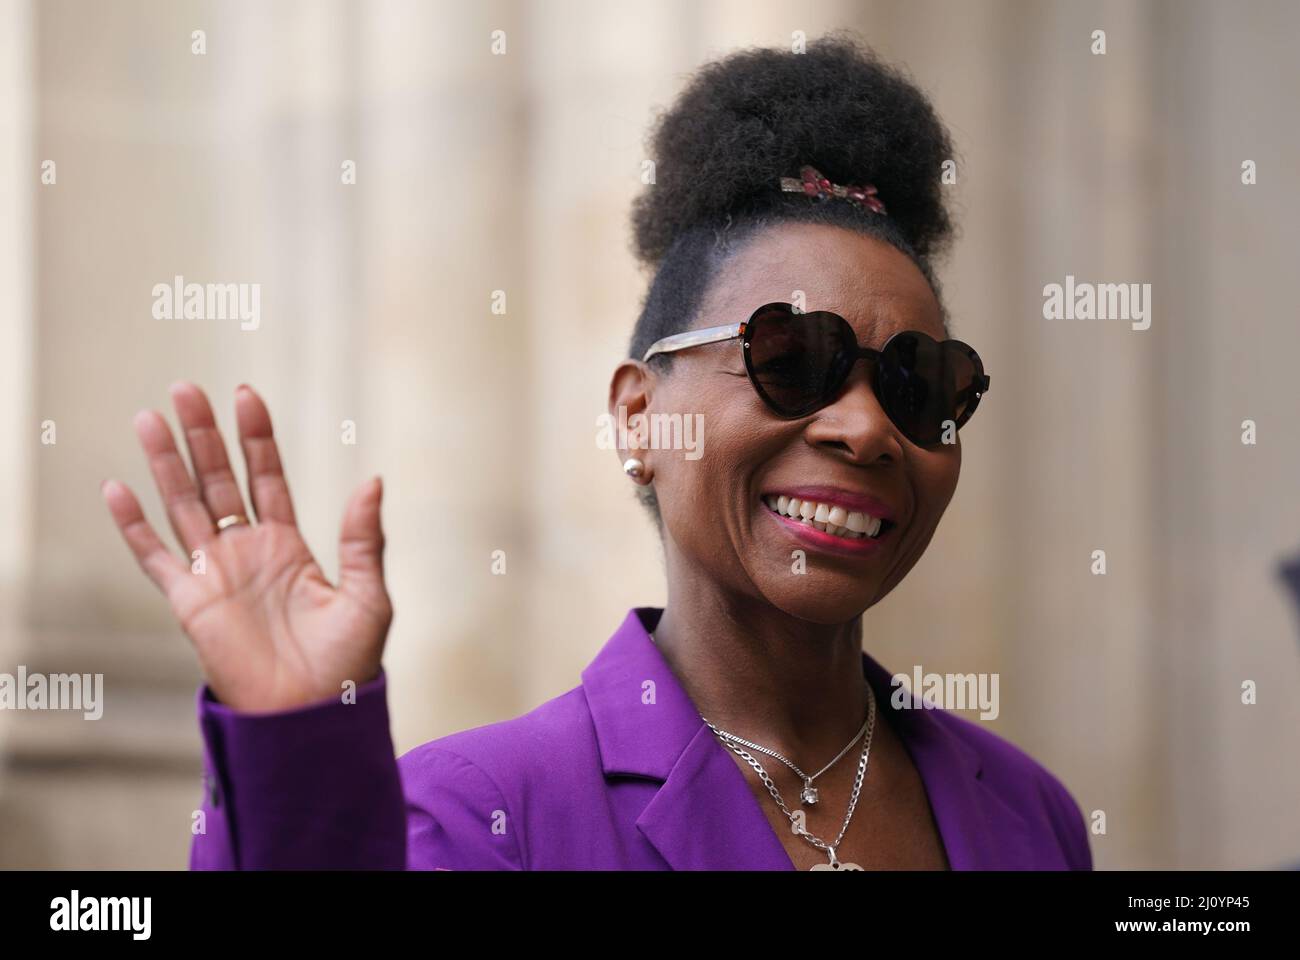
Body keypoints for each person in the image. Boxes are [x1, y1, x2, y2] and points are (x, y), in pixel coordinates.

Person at [101, 33, 1091, 870]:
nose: (867, 427)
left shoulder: (1025, 813)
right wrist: (296, 756)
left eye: (920, 385)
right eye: (792, 358)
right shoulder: (482, 811)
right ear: (636, 416)